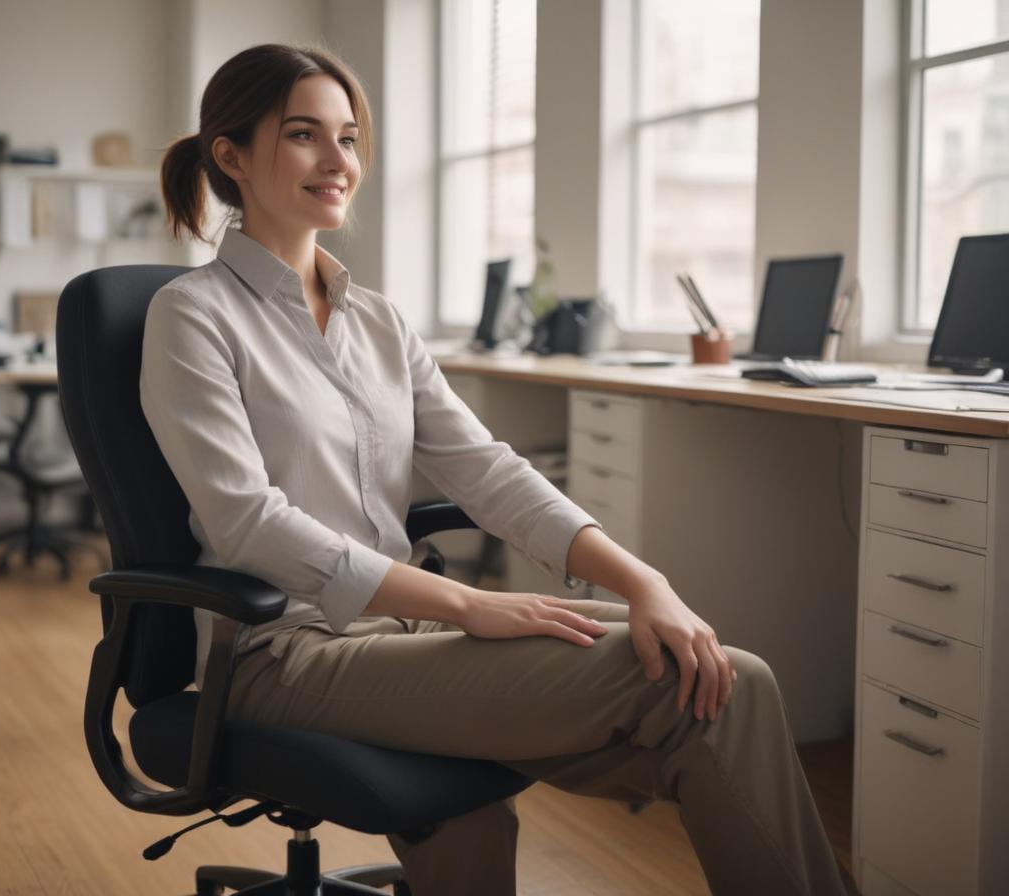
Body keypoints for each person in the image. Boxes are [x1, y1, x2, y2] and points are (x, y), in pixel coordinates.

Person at [142, 43, 858, 896]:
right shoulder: (192, 316)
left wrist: (642, 582)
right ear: (231, 155)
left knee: (702, 700)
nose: (341, 163)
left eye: (350, 137)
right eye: (305, 135)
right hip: (284, 653)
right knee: (731, 685)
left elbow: (487, 469)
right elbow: (245, 522)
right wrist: (469, 604)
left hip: (400, 639)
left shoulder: (378, 321)